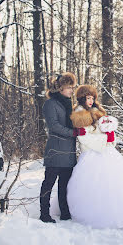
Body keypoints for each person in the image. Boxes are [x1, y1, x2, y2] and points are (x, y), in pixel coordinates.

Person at [64, 85, 123, 228]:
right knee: (92, 187)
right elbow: (84, 139)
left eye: (92, 98)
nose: (90, 101)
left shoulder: (100, 113)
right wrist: (104, 140)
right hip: (90, 155)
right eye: (87, 98)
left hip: (108, 154)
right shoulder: (79, 114)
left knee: (117, 182)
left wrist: (110, 136)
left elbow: (107, 135)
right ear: (82, 99)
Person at [40, 73, 86, 223]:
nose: (72, 91)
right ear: (60, 88)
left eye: (72, 88)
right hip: (55, 151)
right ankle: (44, 214)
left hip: (69, 153)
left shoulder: (68, 104)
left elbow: (72, 123)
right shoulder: (50, 104)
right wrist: (73, 132)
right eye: (69, 88)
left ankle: (65, 213)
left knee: (64, 186)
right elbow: (54, 126)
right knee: (48, 183)